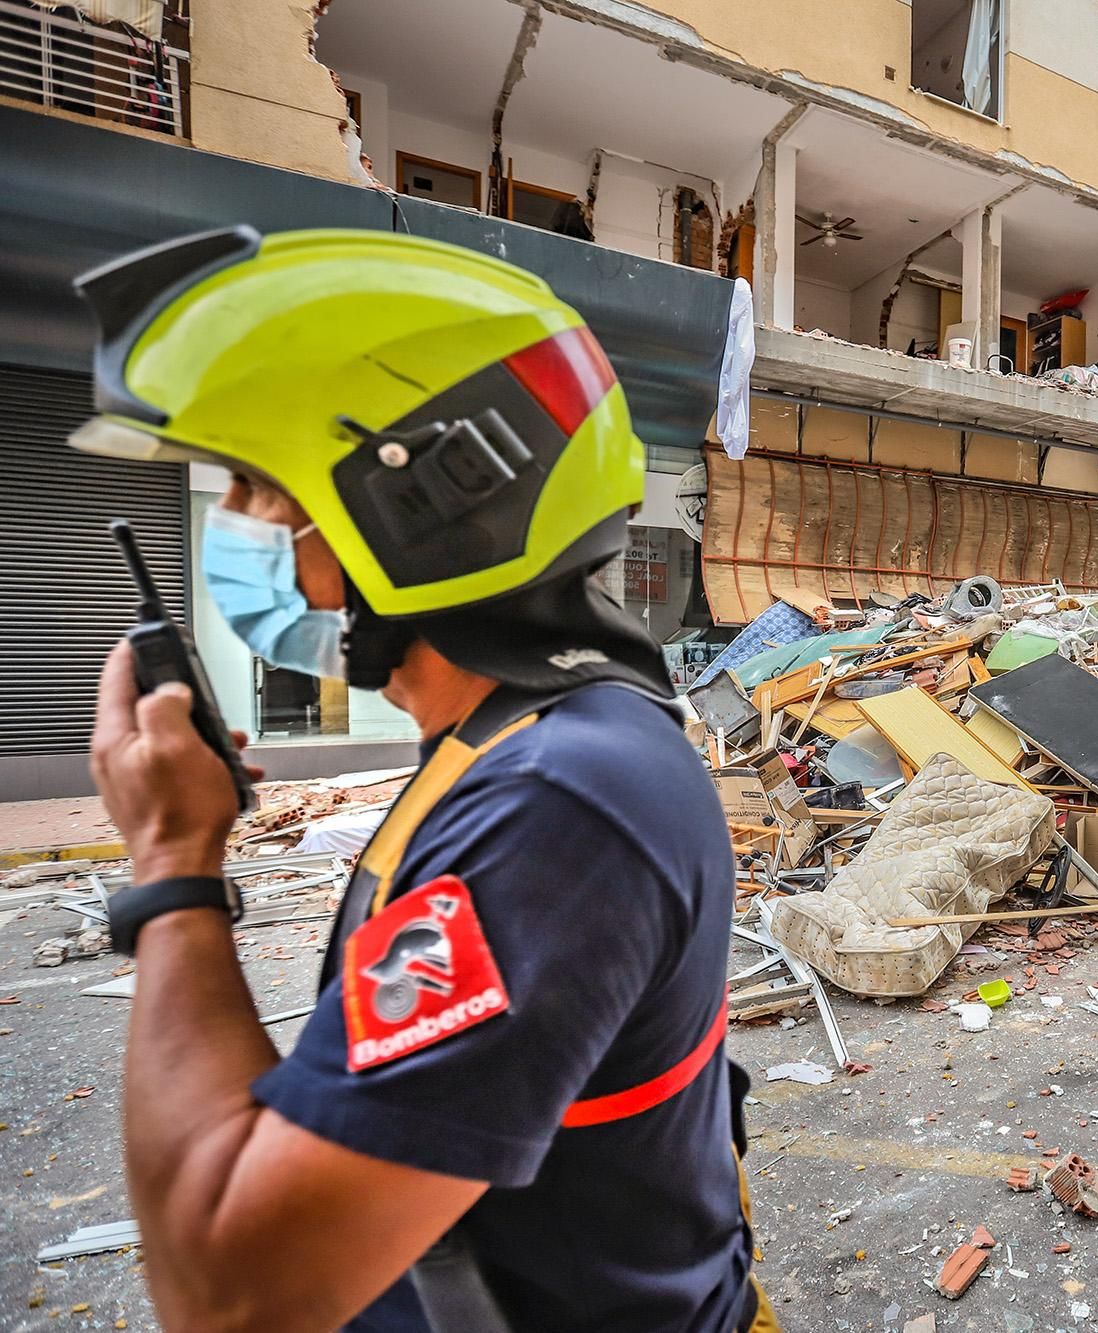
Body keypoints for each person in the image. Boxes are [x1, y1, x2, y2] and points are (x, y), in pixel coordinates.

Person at [74, 227, 770, 1331]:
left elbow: (232, 1292)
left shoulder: (560, 803)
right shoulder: (516, 739)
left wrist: (171, 863)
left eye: (259, 487)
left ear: (416, 509)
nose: (236, 526)